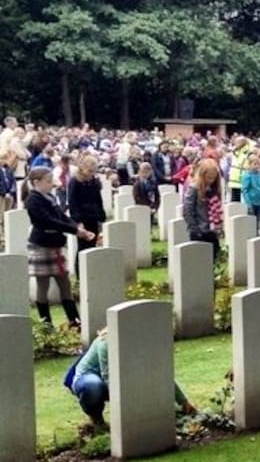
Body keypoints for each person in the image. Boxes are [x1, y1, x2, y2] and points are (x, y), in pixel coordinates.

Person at [67, 329, 195, 428]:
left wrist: (183, 401)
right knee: (94, 387)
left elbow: (157, 372)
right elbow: (109, 377)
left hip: (123, 379)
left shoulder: (143, 343)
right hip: (89, 379)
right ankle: (96, 417)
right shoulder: (105, 341)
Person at [24, 166, 92, 326]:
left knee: (65, 283)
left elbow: (61, 216)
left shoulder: (50, 197)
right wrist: (74, 230)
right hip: (41, 245)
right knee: (43, 284)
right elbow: (47, 220)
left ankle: (74, 320)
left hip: (56, 243)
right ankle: (46, 322)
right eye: (48, 181)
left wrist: (77, 227)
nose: (51, 184)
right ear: (36, 182)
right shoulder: (33, 200)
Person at [67, 155, 105, 277]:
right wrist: (78, 221)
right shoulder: (75, 182)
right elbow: (73, 202)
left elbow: (98, 199)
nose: (91, 174)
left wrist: (100, 216)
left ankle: (90, 272)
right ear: (82, 168)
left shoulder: (94, 181)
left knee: (93, 245)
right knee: (82, 247)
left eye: (93, 171)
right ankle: (80, 274)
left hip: (93, 216)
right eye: (89, 171)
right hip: (82, 217)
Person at [183, 158, 223, 262]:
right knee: (199, 262)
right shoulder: (194, 188)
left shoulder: (213, 189)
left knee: (213, 259)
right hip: (199, 230)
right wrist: (195, 229)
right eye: (208, 178)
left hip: (212, 230)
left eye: (213, 178)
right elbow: (188, 210)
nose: (211, 180)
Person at [241, 155, 260, 236]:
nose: (256, 166)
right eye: (254, 164)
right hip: (252, 202)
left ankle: (259, 232)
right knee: (252, 221)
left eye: (258, 164)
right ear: (249, 165)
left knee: (259, 219)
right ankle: (252, 235)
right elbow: (245, 190)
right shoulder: (247, 176)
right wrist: (248, 204)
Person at [227, 136, 254, 202]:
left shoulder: (248, 152)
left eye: (237, 142)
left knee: (243, 200)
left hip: (243, 177)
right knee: (234, 202)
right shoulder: (235, 151)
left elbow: (253, 144)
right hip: (234, 179)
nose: (235, 143)